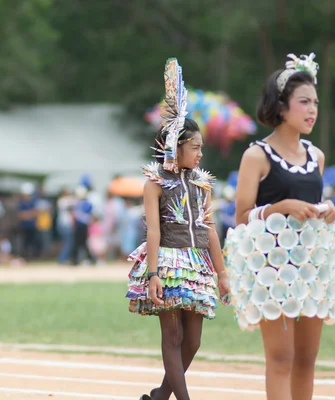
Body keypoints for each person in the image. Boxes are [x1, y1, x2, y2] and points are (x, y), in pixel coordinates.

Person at [226, 53, 335, 400]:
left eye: (316, 103)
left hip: (311, 267)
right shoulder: (256, 156)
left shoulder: (317, 156)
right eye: (304, 102)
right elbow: (241, 216)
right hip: (272, 269)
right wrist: (278, 208)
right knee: (282, 357)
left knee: (307, 360)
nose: (312, 110)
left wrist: (327, 211)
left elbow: (315, 204)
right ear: (281, 106)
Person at [126, 59, 228, 400]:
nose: (200, 153)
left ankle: (159, 397)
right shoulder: (155, 184)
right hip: (167, 263)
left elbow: (210, 229)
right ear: (175, 146)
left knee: (194, 341)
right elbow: (153, 232)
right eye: (195, 147)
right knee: (172, 338)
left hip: (198, 264)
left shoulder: (202, 184)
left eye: (201, 147)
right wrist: (153, 273)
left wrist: (223, 273)